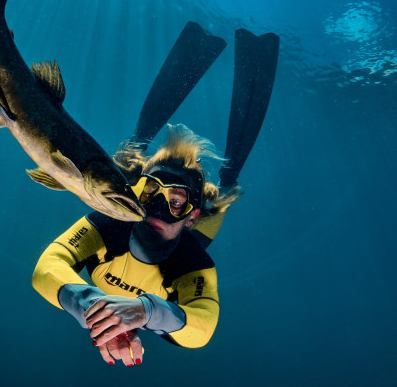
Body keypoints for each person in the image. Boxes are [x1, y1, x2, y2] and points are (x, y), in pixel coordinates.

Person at [32, 23, 279, 367]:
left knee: (220, 192)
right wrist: (97, 306)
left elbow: (203, 328)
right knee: (133, 169)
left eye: (175, 202)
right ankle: (145, 163)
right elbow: (48, 266)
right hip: (154, 219)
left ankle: (190, 169)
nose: (158, 209)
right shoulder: (109, 225)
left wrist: (138, 310)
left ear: (189, 215)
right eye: (151, 193)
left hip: (191, 233)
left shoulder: (192, 263)